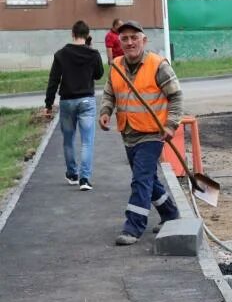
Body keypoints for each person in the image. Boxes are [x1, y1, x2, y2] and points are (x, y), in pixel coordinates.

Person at [99, 21, 181, 246]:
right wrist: (105, 111)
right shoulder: (116, 65)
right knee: (148, 180)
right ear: (119, 43)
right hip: (128, 133)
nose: (129, 42)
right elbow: (109, 93)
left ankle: (133, 227)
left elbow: (176, 97)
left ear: (144, 40)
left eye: (134, 37)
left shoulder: (158, 65)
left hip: (153, 134)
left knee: (140, 180)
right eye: (124, 39)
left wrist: (171, 125)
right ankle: (170, 214)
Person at [44, 20, 104, 191]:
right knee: (87, 141)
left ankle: (72, 173)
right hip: (87, 100)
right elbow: (99, 75)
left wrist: (48, 104)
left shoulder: (61, 54)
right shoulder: (93, 54)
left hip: (67, 102)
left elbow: (53, 81)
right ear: (87, 35)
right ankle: (85, 179)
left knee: (68, 140)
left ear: (73, 34)